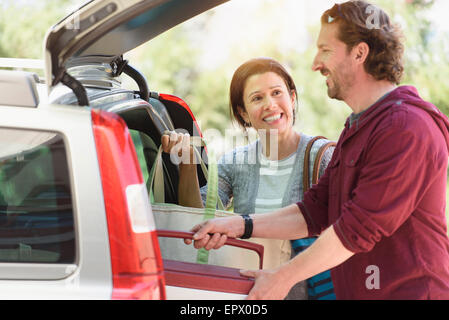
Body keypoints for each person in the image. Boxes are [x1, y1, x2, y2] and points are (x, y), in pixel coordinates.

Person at [185, 0, 449, 300]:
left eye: (325, 50)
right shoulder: (358, 126)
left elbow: (357, 229)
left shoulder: (405, 127)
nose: (315, 63)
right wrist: (241, 224)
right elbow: (316, 209)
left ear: (359, 53)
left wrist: (281, 278)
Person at [161, 57, 336, 300]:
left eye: (277, 93)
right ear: (244, 113)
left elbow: (349, 232)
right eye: (257, 98)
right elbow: (201, 219)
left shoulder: (324, 157)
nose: (270, 105)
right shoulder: (235, 162)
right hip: (251, 295)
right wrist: (189, 164)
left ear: (292, 98)